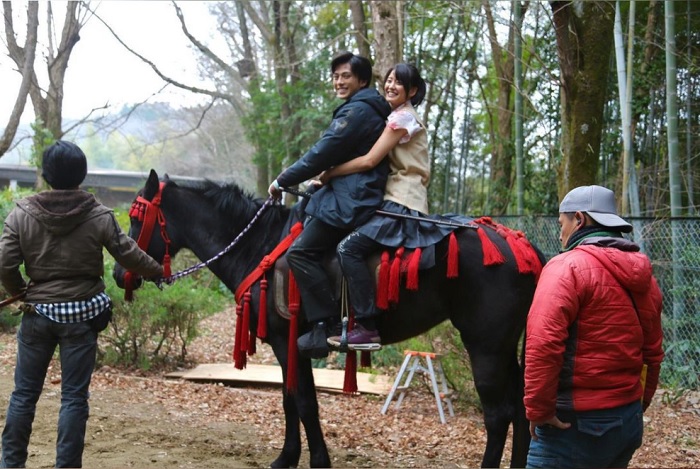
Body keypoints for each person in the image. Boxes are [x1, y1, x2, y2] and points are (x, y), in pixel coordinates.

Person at [0, 140, 163, 468]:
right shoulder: (99, 214)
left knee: (23, 395)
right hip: (82, 320)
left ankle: (10, 464)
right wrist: (159, 270)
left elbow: (4, 262)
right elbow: (127, 252)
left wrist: (20, 293)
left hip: (37, 315)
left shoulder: (21, 214)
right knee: (73, 398)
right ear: (82, 174)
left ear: (45, 175)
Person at [523, 185, 664, 469]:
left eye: (561, 223)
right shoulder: (646, 278)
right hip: (626, 421)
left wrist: (539, 410)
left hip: (574, 425)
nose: (559, 233)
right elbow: (653, 353)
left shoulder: (566, 267)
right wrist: (638, 405)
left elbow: (542, 345)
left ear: (579, 219)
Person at [267, 52, 391, 359]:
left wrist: (283, 179)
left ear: (362, 80)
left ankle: (326, 323)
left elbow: (321, 153)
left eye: (345, 76)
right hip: (349, 192)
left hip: (352, 200)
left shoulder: (358, 111)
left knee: (299, 251)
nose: (339, 81)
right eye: (335, 76)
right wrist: (320, 180)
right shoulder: (364, 108)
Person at [322, 63, 451, 350]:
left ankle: (366, 326)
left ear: (412, 91)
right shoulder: (397, 116)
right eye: (389, 80)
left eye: (398, 83)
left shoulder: (403, 118)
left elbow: (369, 160)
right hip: (396, 198)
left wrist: (330, 173)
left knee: (348, 248)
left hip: (401, 202)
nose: (390, 86)